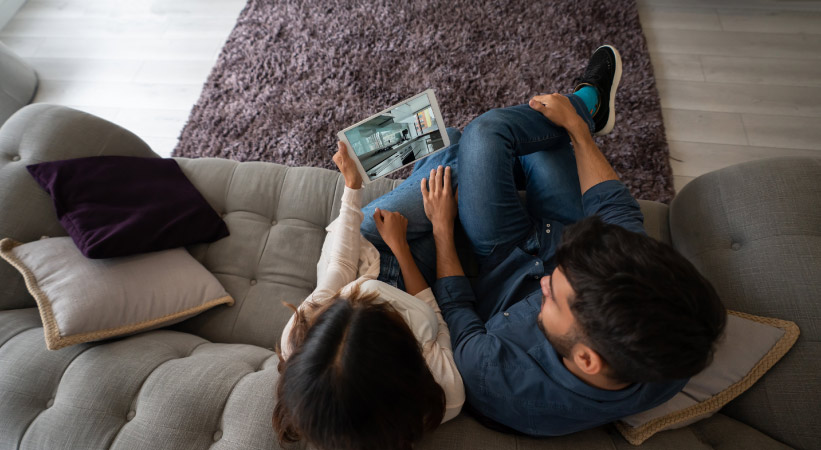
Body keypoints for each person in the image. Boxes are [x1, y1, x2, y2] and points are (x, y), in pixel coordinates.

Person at [358, 45, 727, 436]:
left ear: (586, 359)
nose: (546, 281)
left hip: (500, 258)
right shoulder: (669, 327)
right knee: (533, 134)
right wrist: (580, 132)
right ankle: (587, 107)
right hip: (561, 229)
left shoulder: (498, 378)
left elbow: (457, 309)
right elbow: (614, 209)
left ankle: (458, 151)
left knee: (450, 156)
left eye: (551, 295)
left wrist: (442, 228)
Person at [272, 144, 465, 450]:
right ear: (404, 348)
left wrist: (352, 185)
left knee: (447, 150)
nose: (361, 294)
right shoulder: (446, 392)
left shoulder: (298, 335)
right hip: (418, 279)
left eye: (345, 302)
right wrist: (426, 236)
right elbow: (437, 314)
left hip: (367, 252)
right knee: (454, 158)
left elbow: (343, 267)